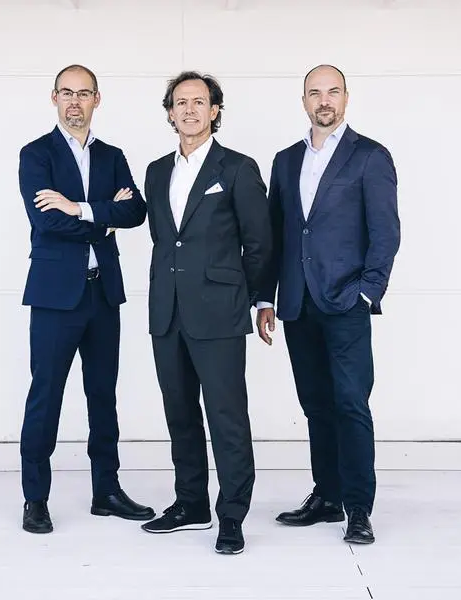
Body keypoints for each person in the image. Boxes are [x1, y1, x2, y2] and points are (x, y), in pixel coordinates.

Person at [256, 64, 400, 545]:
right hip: (298, 303)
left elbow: (385, 233)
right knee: (316, 404)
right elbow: (276, 235)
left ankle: (358, 508)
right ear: (304, 101)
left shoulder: (370, 156)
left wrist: (367, 292)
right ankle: (328, 495)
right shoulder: (285, 160)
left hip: (346, 302)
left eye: (332, 91)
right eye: (315, 92)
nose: (324, 100)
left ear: (345, 98)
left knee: (351, 404)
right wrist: (266, 296)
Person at [17, 64, 154, 534]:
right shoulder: (36, 154)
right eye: (66, 93)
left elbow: (136, 210)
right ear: (54, 98)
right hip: (55, 297)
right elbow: (46, 221)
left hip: (102, 294)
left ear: (97, 99)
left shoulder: (112, 156)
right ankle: (35, 498)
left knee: (103, 395)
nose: (74, 101)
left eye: (84, 93)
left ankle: (106, 492)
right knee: (46, 395)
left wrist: (79, 207)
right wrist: (103, 220)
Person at [140, 71, 271, 554]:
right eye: (181, 102)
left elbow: (259, 241)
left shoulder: (236, 168)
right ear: (169, 113)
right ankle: (190, 503)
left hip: (219, 311)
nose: (190, 110)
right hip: (167, 311)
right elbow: (164, 239)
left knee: (226, 416)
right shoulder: (156, 171)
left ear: (215, 111)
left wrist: (261, 299)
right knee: (180, 414)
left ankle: (231, 515)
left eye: (199, 102)